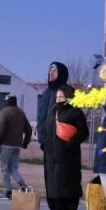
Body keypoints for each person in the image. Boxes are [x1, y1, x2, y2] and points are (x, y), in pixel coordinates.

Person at [42, 87, 88, 210]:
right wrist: (45, 146)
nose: (58, 100)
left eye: (61, 97)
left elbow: (83, 132)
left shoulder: (75, 113)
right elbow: (47, 130)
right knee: (56, 186)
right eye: (57, 97)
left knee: (69, 186)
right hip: (52, 156)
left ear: (69, 97)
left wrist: (70, 144)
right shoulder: (53, 111)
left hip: (69, 157)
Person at [37, 62, 70, 197]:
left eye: (54, 71)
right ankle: (53, 209)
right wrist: (42, 139)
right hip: (47, 144)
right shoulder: (46, 93)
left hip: (60, 143)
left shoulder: (66, 92)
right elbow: (41, 117)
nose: (51, 73)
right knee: (49, 177)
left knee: (60, 178)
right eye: (50, 70)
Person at [0, 95, 33, 199]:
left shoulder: (5, 111)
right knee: (13, 168)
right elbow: (29, 130)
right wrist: (25, 142)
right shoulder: (21, 113)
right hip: (17, 145)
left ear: (6, 101)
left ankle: (8, 191)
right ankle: (23, 186)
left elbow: (1, 127)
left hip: (6, 144)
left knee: (4, 169)